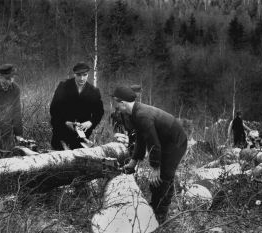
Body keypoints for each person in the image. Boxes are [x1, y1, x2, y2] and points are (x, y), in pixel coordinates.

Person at [110, 86, 188, 224]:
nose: (116, 106)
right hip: (164, 140)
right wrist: (133, 161)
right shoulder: (133, 113)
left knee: (162, 178)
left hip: (175, 141)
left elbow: (153, 143)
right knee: (159, 180)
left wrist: (155, 168)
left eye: (117, 103)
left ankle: (160, 216)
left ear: (122, 103)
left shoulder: (141, 115)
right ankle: (155, 206)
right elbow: (141, 138)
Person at [50, 62, 104, 150]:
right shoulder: (64, 86)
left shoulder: (94, 91)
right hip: (61, 132)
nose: (82, 78)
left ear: (88, 74)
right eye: (78, 75)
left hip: (82, 136)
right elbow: (54, 109)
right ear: (74, 74)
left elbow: (99, 112)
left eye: (84, 75)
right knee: (59, 158)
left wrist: (90, 123)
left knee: (78, 160)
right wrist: (66, 122)